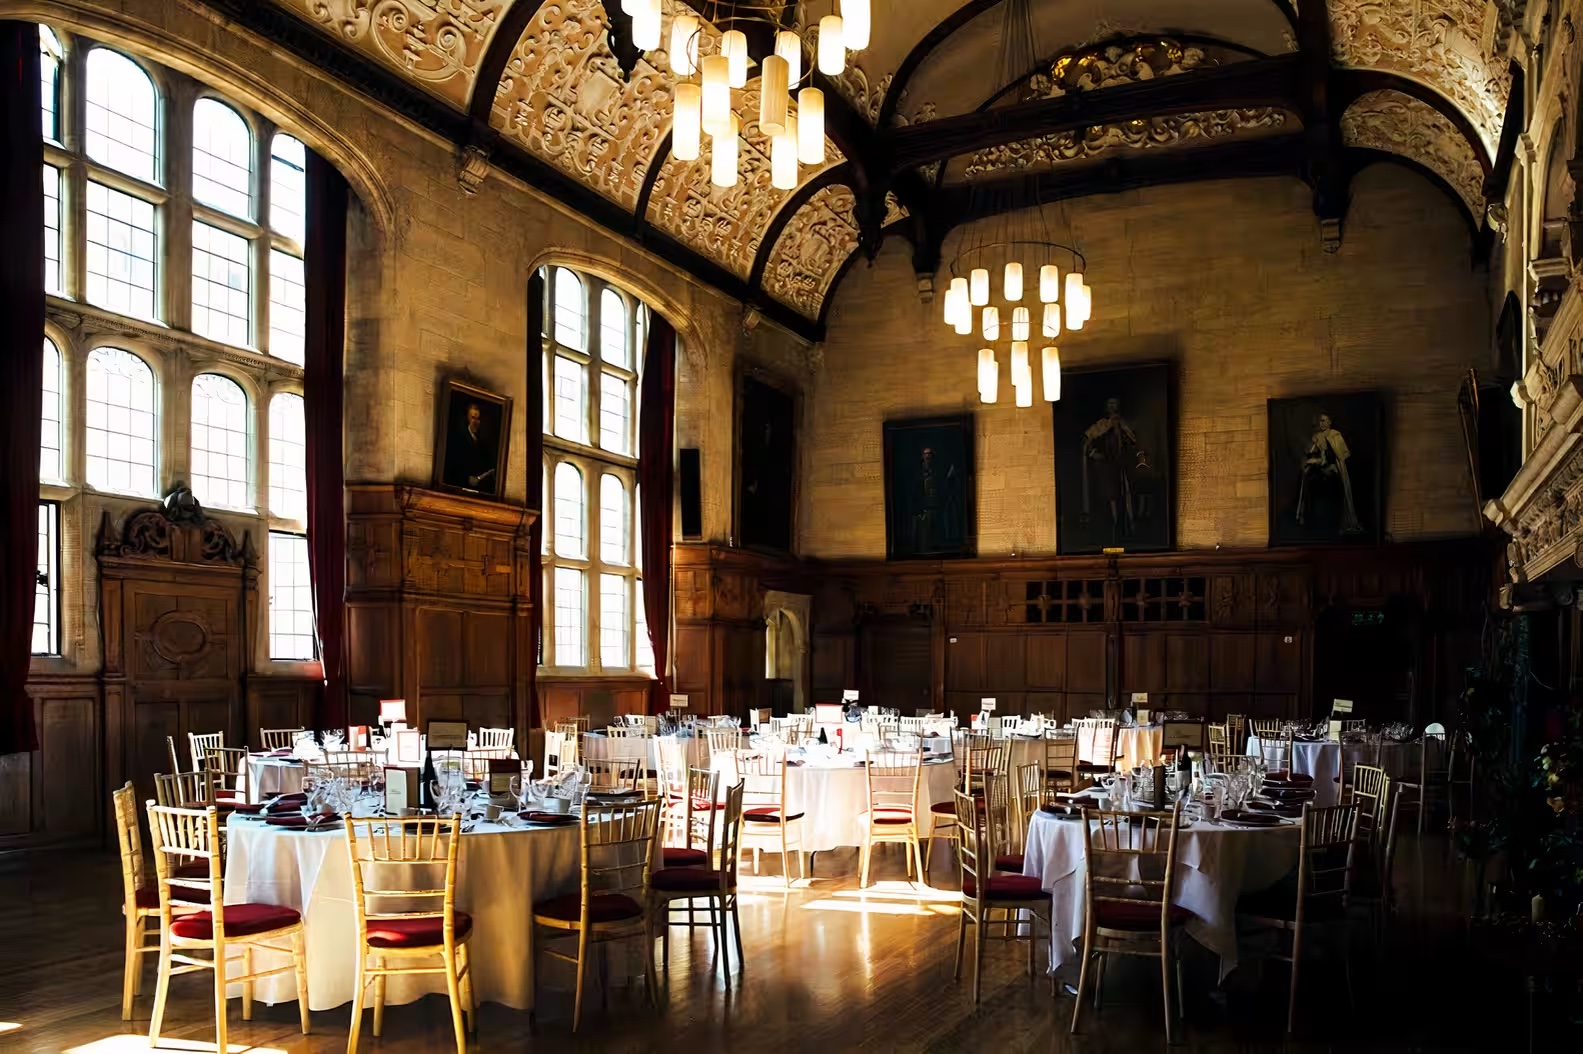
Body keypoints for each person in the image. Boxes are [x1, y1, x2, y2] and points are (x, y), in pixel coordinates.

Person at [1081, 397, 1142, 542]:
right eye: (1110, 404)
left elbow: (1133, 441)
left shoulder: (1123, 424)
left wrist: (1124, 430)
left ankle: (1127, 528)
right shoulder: (1101, 424)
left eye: (1115, 404)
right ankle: (1111, 528)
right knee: (1110, 496)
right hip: (1106, 467)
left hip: (1121, 466)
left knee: (1125, 494)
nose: (1113, 407)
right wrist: (1093, 453)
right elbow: (1087, 440)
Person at [1295, 411, 1363, 535]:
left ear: (1330, 422)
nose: (1321, 423)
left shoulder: (1335, 435)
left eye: (1324, 420)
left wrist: (1325, 460)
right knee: (1306, 475)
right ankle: (1307, 516)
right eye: (1320, 421)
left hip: (1334, 466)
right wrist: (1313, 456)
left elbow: (1339, 455)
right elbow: (1313, 452)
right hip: (1321, 466)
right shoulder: (1317, 436)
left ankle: (1337, 519)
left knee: (1335, 483)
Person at [910, 445, 960, 554]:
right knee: (924, 542)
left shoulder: (938, 474)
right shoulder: (918, 475)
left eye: (930, 454)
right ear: (922, 456)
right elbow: (914, 494)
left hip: (937, 510)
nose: (928, 457)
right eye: (926, 454)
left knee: (936, 542)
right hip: (923, 512)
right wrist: (918, 510)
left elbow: (944, 491)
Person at [444, 400, 498, 495]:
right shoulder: (458, 439)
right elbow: (452, 467)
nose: (476, 422)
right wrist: (467, 479)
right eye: (473, 418)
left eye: (478, 419)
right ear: (467, 419)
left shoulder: (481, 444)